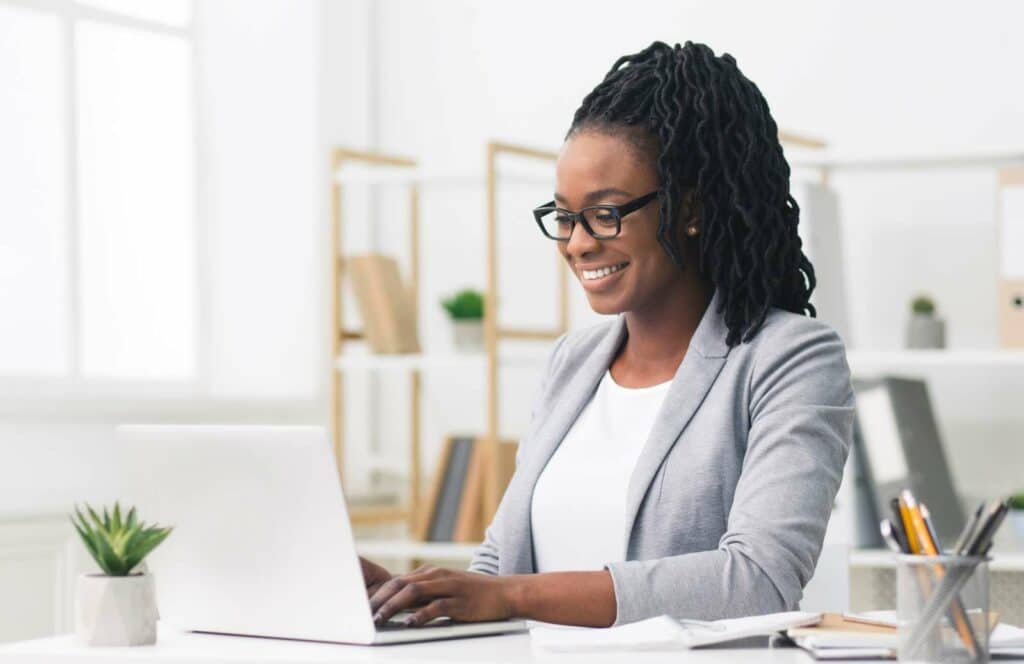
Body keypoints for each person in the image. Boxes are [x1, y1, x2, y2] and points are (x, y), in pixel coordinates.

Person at [361, 40, 854, 628]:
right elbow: (500, 569)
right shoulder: (572, 362)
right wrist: (407, 596)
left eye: (606, 213)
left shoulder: (788, 359)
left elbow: (758, 580)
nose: (577, 243)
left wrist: (515, 596)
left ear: (690, 208)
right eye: (565, 217)